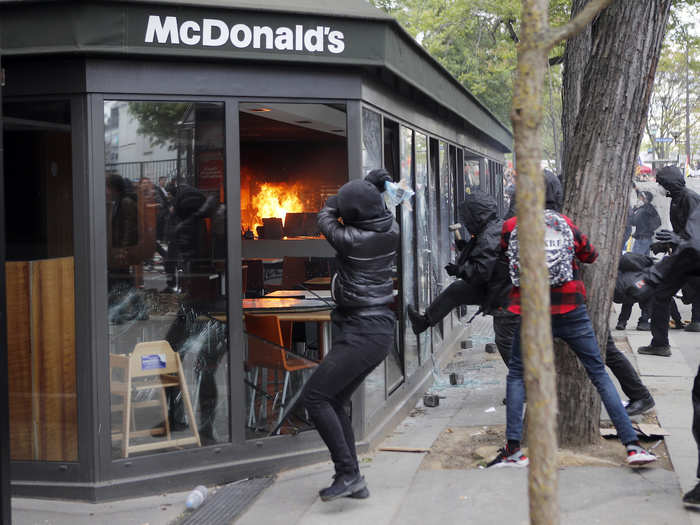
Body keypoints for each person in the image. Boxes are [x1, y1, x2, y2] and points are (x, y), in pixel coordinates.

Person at [487, 172, 656, 468]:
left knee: (516, 374)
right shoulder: (565, 224)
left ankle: (513, 449)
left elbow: (502, 253)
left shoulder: (512, 226)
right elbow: (590, 255)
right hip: (570, 310)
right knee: (598, 373)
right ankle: (632, 445)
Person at [302, 169, 399, 501]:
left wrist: (344, 196)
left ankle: (347, 473)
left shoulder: (350, 240)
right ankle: (352, 477)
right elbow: (371, 207)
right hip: (376, 330)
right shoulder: (391, 227)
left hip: (363, 331)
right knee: (335, 400)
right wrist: (369, 188)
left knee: (315, 399)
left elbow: (325, 215)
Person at [406, 189, 513, 366]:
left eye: (467, 219)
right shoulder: (493, 227)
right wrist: (466, 248)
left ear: (476, 216)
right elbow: (487, 255)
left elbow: (481, 272)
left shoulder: (488, 235)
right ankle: (424, 322)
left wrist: (460, 270)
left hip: (502, 293)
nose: (465, 224)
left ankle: (523, 387)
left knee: (505, 342)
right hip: (499, 287)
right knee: (456, 291)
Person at [639, 166, 700, 356]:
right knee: (661, 295)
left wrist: (677, 240)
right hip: (684, 256)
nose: (659, 186)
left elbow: (696, 235)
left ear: (670, 183)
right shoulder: (676, 200)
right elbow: (683, 233)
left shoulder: (691, 199)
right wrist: (665, 245)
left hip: (693, 257)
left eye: (662, 183)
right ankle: (660, 343)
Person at [629, 190, 661, 255]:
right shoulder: (650, 208)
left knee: (635, 259)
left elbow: (633, 221)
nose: (638, 199)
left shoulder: (642, 210)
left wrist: (634, 209)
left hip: (641, 240)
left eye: (640, 197)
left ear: (645, 199)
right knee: (644, 261)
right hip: (648, 239)